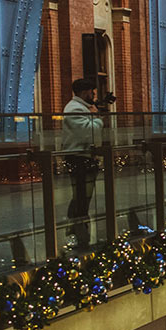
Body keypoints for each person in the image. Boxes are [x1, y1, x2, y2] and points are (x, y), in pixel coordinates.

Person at [61, 77, 104, 247]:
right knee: (81, 196)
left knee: (83, 196)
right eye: (92, 92)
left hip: (85, 157)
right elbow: (88, 132)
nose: (93, 95)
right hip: (78, 158)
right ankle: (77, 231)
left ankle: (78, 229)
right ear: (83, 92)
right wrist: (98, 119)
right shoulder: (73, 109)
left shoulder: (82, 108)